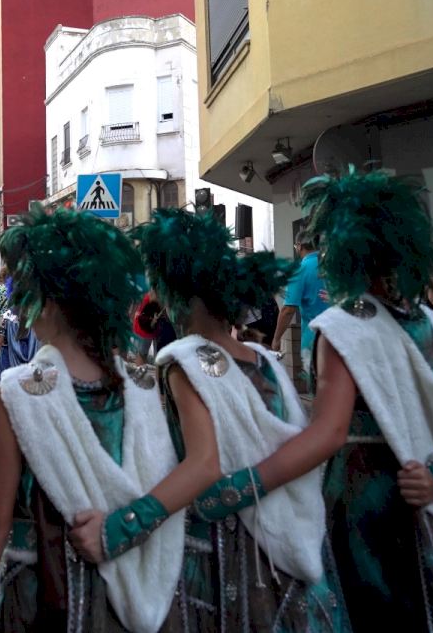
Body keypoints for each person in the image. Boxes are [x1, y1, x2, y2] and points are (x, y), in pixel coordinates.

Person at [0, 209, 185, 633]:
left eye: (27, 291)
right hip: (132, 599)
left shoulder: (18, 393)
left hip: (44, 601)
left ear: (49, 301)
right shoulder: (143, 387)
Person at [121, 207, 350, 631]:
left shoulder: (182, 362)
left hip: (229, 552)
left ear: (173, 293)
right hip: (289, 537)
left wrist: (129, 522)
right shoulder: (264, 359)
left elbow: (202, 465)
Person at [301, 170, 433, 631]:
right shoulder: (432, 323)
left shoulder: (342, 326)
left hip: (363, 497)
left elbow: (329, 432)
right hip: (430, 494)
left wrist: (256, 477)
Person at [0, 281, 39, 452]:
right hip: (30, 366)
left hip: (6, 363)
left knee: (3, 403)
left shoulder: (8, 316)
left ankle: (0, 440)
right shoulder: (37, 317)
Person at [270, 230, 330, 390]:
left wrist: (276, 339)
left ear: (299, 246)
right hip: (340, 335)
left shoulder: (300, 271)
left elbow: (288, 309)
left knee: (319, 388)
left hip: (314, 339)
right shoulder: (330, 265)